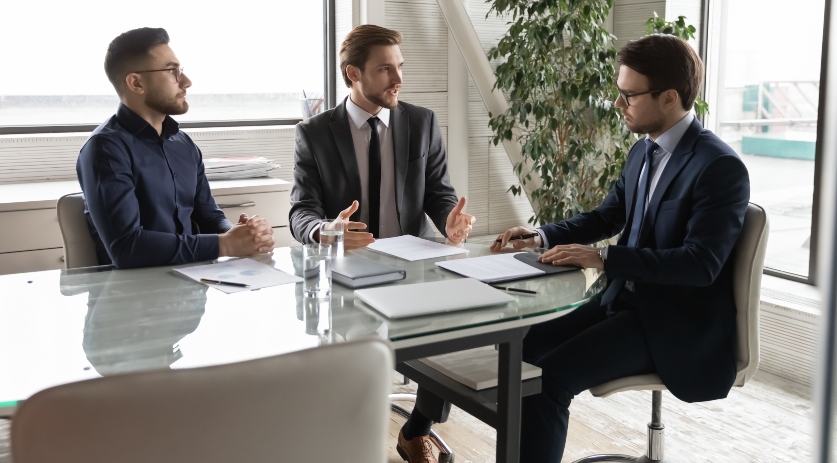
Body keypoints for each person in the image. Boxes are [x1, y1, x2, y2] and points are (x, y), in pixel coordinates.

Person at [486, 34, 751, 462]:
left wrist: (605, 258)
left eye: (628, 95)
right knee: (526, 348)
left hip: (672, 322)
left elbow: (702, 264)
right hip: (626, 303)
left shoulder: (718, 167)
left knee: (550, 378)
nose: (617, 104)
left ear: (669, 97)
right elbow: (607, 216)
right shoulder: (644, 151)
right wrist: (541, 236)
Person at [77, 27, 274, 269]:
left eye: (181, 70)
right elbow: (126, 247)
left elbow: (209, 216)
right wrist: (225, 245)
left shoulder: (183, 144)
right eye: (172, 71)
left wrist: (240, 234)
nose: (186, 81)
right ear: (136, 82)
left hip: (194, 285)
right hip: (135, 296)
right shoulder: (105, 149)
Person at [289, 24, 475, 249]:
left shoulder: (422, 123)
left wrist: (449, 221)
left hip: (415, 259)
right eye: (385, 69)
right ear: (353, 73)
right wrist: (326, 231)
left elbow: (438, 193)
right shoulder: (314, 133)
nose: (398, 79)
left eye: (400, 67)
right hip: (348, 260)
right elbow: (302, 211)